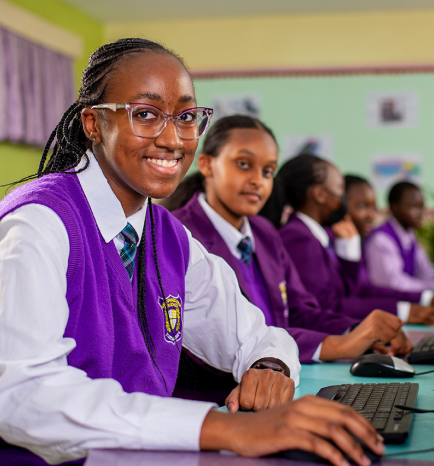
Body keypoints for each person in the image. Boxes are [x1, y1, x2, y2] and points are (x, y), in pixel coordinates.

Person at [0, 39, 384, 466]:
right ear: (94, 123)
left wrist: (269, 366)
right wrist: (227, 430)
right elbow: (23, 398)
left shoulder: (166, 235)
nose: (173, 139)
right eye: (146, 114)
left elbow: (257, 333)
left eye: (186, 118)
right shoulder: (36, 224)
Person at [167, 115, 412, 375]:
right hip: (217, 398)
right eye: (243, 164)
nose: (257, 180)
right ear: (206, 165)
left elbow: (300, 312)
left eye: (268, 171)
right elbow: (218, 343)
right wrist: (338, 345)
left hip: (284, 379)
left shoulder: (265, 233)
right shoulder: (177, 235)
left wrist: (360, 332)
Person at [260, 153, 434, 326]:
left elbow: (355, 291)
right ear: (320, 194)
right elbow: (326, 306)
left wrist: (421, 301)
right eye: (340, 189)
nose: (343, 198)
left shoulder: (319, 235)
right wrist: (402, 311)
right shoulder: (298, 236)